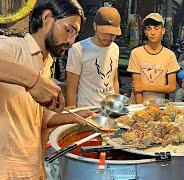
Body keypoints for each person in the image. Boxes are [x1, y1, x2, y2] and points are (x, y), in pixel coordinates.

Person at [0, 1, 95, 179]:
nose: (71, 41)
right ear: (47, 18)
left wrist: (72, 117)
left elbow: (36, 117)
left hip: (33, 168)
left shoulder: (47, 62)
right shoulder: (12, 48)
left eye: (75, 34)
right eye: (69, 30)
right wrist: (32, 80)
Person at [66, 7, 121, 107]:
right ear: (95, 26)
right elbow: (71, 89)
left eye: (113, 34)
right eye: (105, 32)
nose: (109, 38)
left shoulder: (115, 48)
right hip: (88, 111)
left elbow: (114, 80)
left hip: (109, 111)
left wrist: (116, 106)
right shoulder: (78, 49)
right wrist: (72, 116)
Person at [127, 13, 180, 104]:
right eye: (148, 29)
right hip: (137, 104)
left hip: (159, 105)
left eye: (156, 28)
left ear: (163, 31)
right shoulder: (136, 53)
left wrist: (144, 87)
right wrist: (140, 109)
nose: (152, 32)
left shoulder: (170, 55)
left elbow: (171, 87)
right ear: (145, 32)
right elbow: (137, 87)